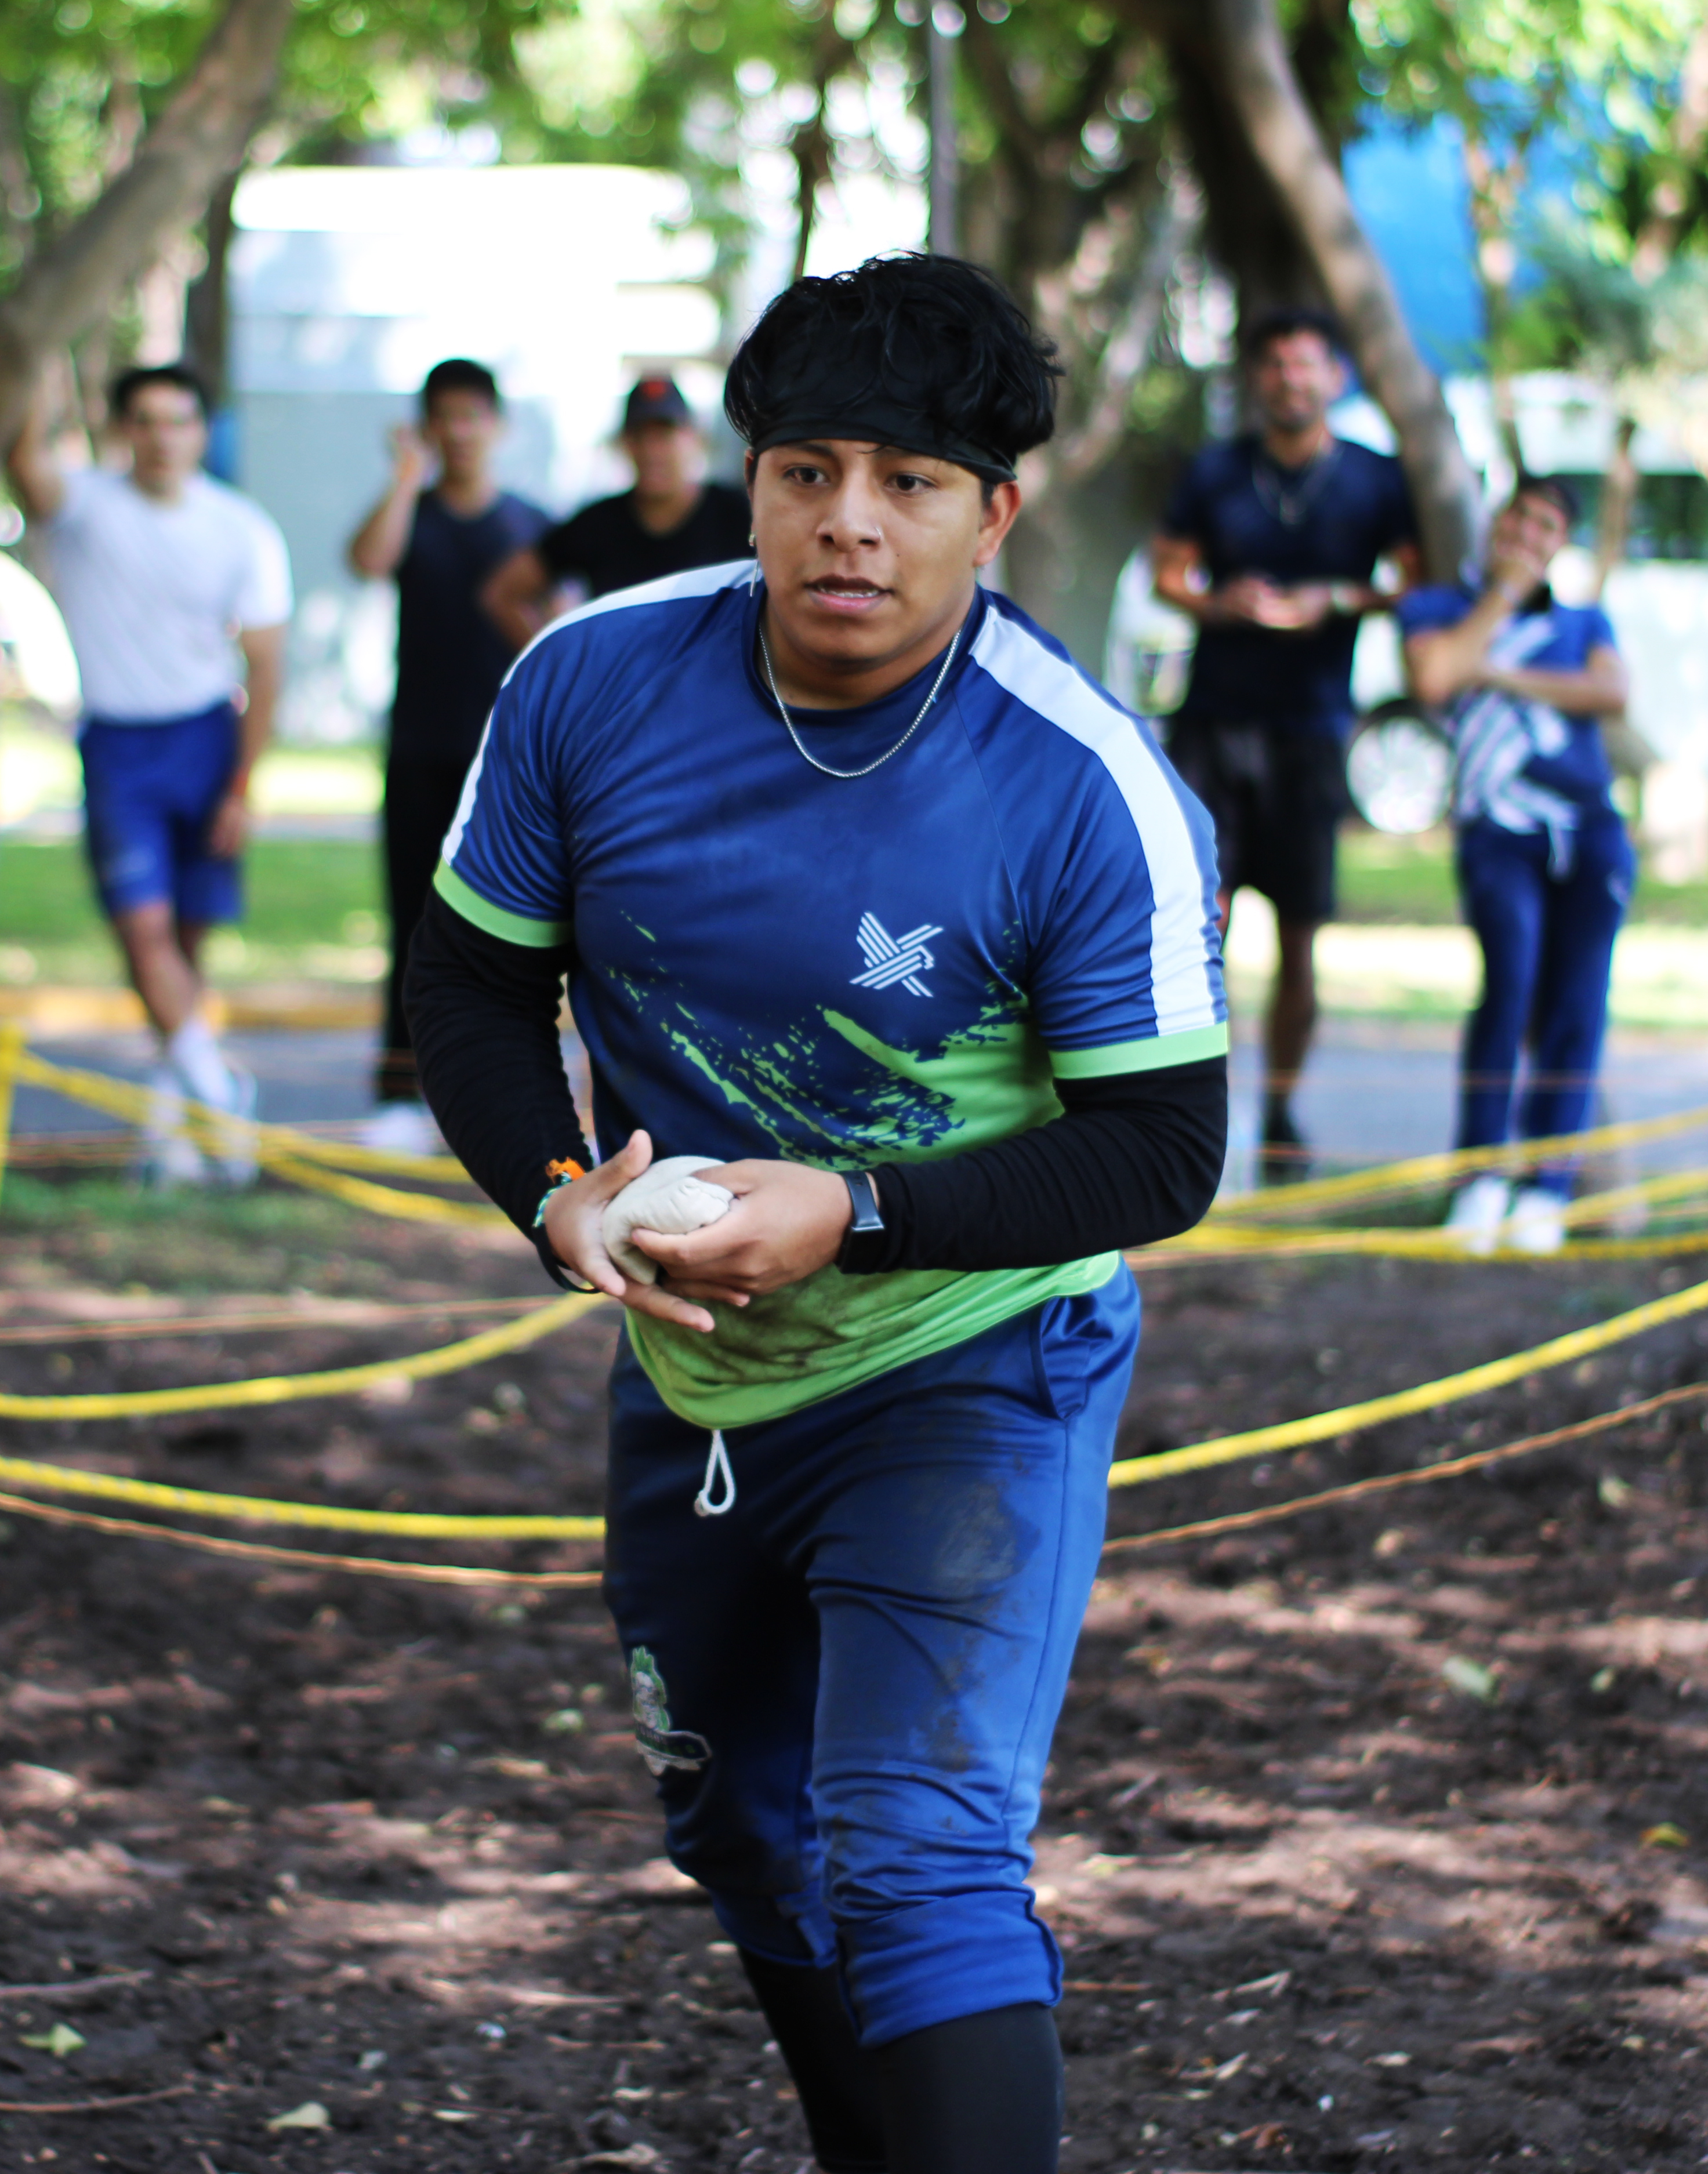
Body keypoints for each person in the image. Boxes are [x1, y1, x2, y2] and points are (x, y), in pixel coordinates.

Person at [405, 253, 1227, 2174]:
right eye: (807, 469)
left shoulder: (1081, 781)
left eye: (912, 482)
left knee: (919, 1850)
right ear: (751, 478)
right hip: (692, 1380)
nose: (849, 521)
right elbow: (465, 984)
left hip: (969, 1358)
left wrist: (852, 1211)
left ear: (995, 512)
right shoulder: (589, 686)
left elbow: (1160, 1152)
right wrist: (556, 1198)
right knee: (742, 1827)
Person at [1145, 306, 1423, 1175]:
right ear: (1256, 380)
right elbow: (1167, 571)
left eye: (1306, 365)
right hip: (1214, 726)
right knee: (1197, 930)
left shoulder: (1377, 480)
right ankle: (1190, 1117)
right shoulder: (1217, 470)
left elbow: (1411, 584)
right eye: (1274, 365)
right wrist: (1215, 604)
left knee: (1302, 936)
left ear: (1335, 379)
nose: (1290, 379)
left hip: (1312, 729)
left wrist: (1330, 601)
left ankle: (1282, 1112)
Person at [3, 363, 289, 1184]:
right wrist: (36, 354)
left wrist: (241, 787)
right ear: (124, 429)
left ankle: (168, 1134)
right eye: (147, 421)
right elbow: (26, 468)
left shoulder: (242, 528)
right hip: (119, 746)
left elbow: (266, 667)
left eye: (179, 420)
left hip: (206, 740)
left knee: (186, 947)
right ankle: (221, 1098)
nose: (163, 437)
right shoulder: (85, 506)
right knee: (142, 934)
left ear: (202, 431)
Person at [1398, 478, 1633, 1256]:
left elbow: (1610, 691)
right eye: (1521, 518)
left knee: (1577, 1005)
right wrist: (1499, 601)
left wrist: (1496, 674)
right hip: (1497, 830)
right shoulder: (1438, 607)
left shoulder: (1582, 619)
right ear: (1499, 522)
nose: (1530, 534)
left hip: (1587, 830)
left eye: (1548, 527)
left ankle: (1548, 1185)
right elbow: (1433, 677)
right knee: (1510, 986)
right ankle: (1481, 1178)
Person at [342, 358, 550, 1155]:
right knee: (413, 922)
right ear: (428, 429)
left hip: (507, 760)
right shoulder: (412, 512)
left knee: (517, 929)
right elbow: (367, 561)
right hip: (420, 750)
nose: (460, 432)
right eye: (445, 418)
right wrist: (403, 477)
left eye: (473, 416)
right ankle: (399, 1095)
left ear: (497, 426)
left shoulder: (531, 525)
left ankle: (509, 1097)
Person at [480, 373, 752, 641]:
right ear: (624, 444)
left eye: (664, 435)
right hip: (628, 685)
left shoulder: (738, 513)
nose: (652, 451)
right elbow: (503, 593)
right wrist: (562, 670)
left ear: (695, 438)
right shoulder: (599, 524)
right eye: (640, 436)